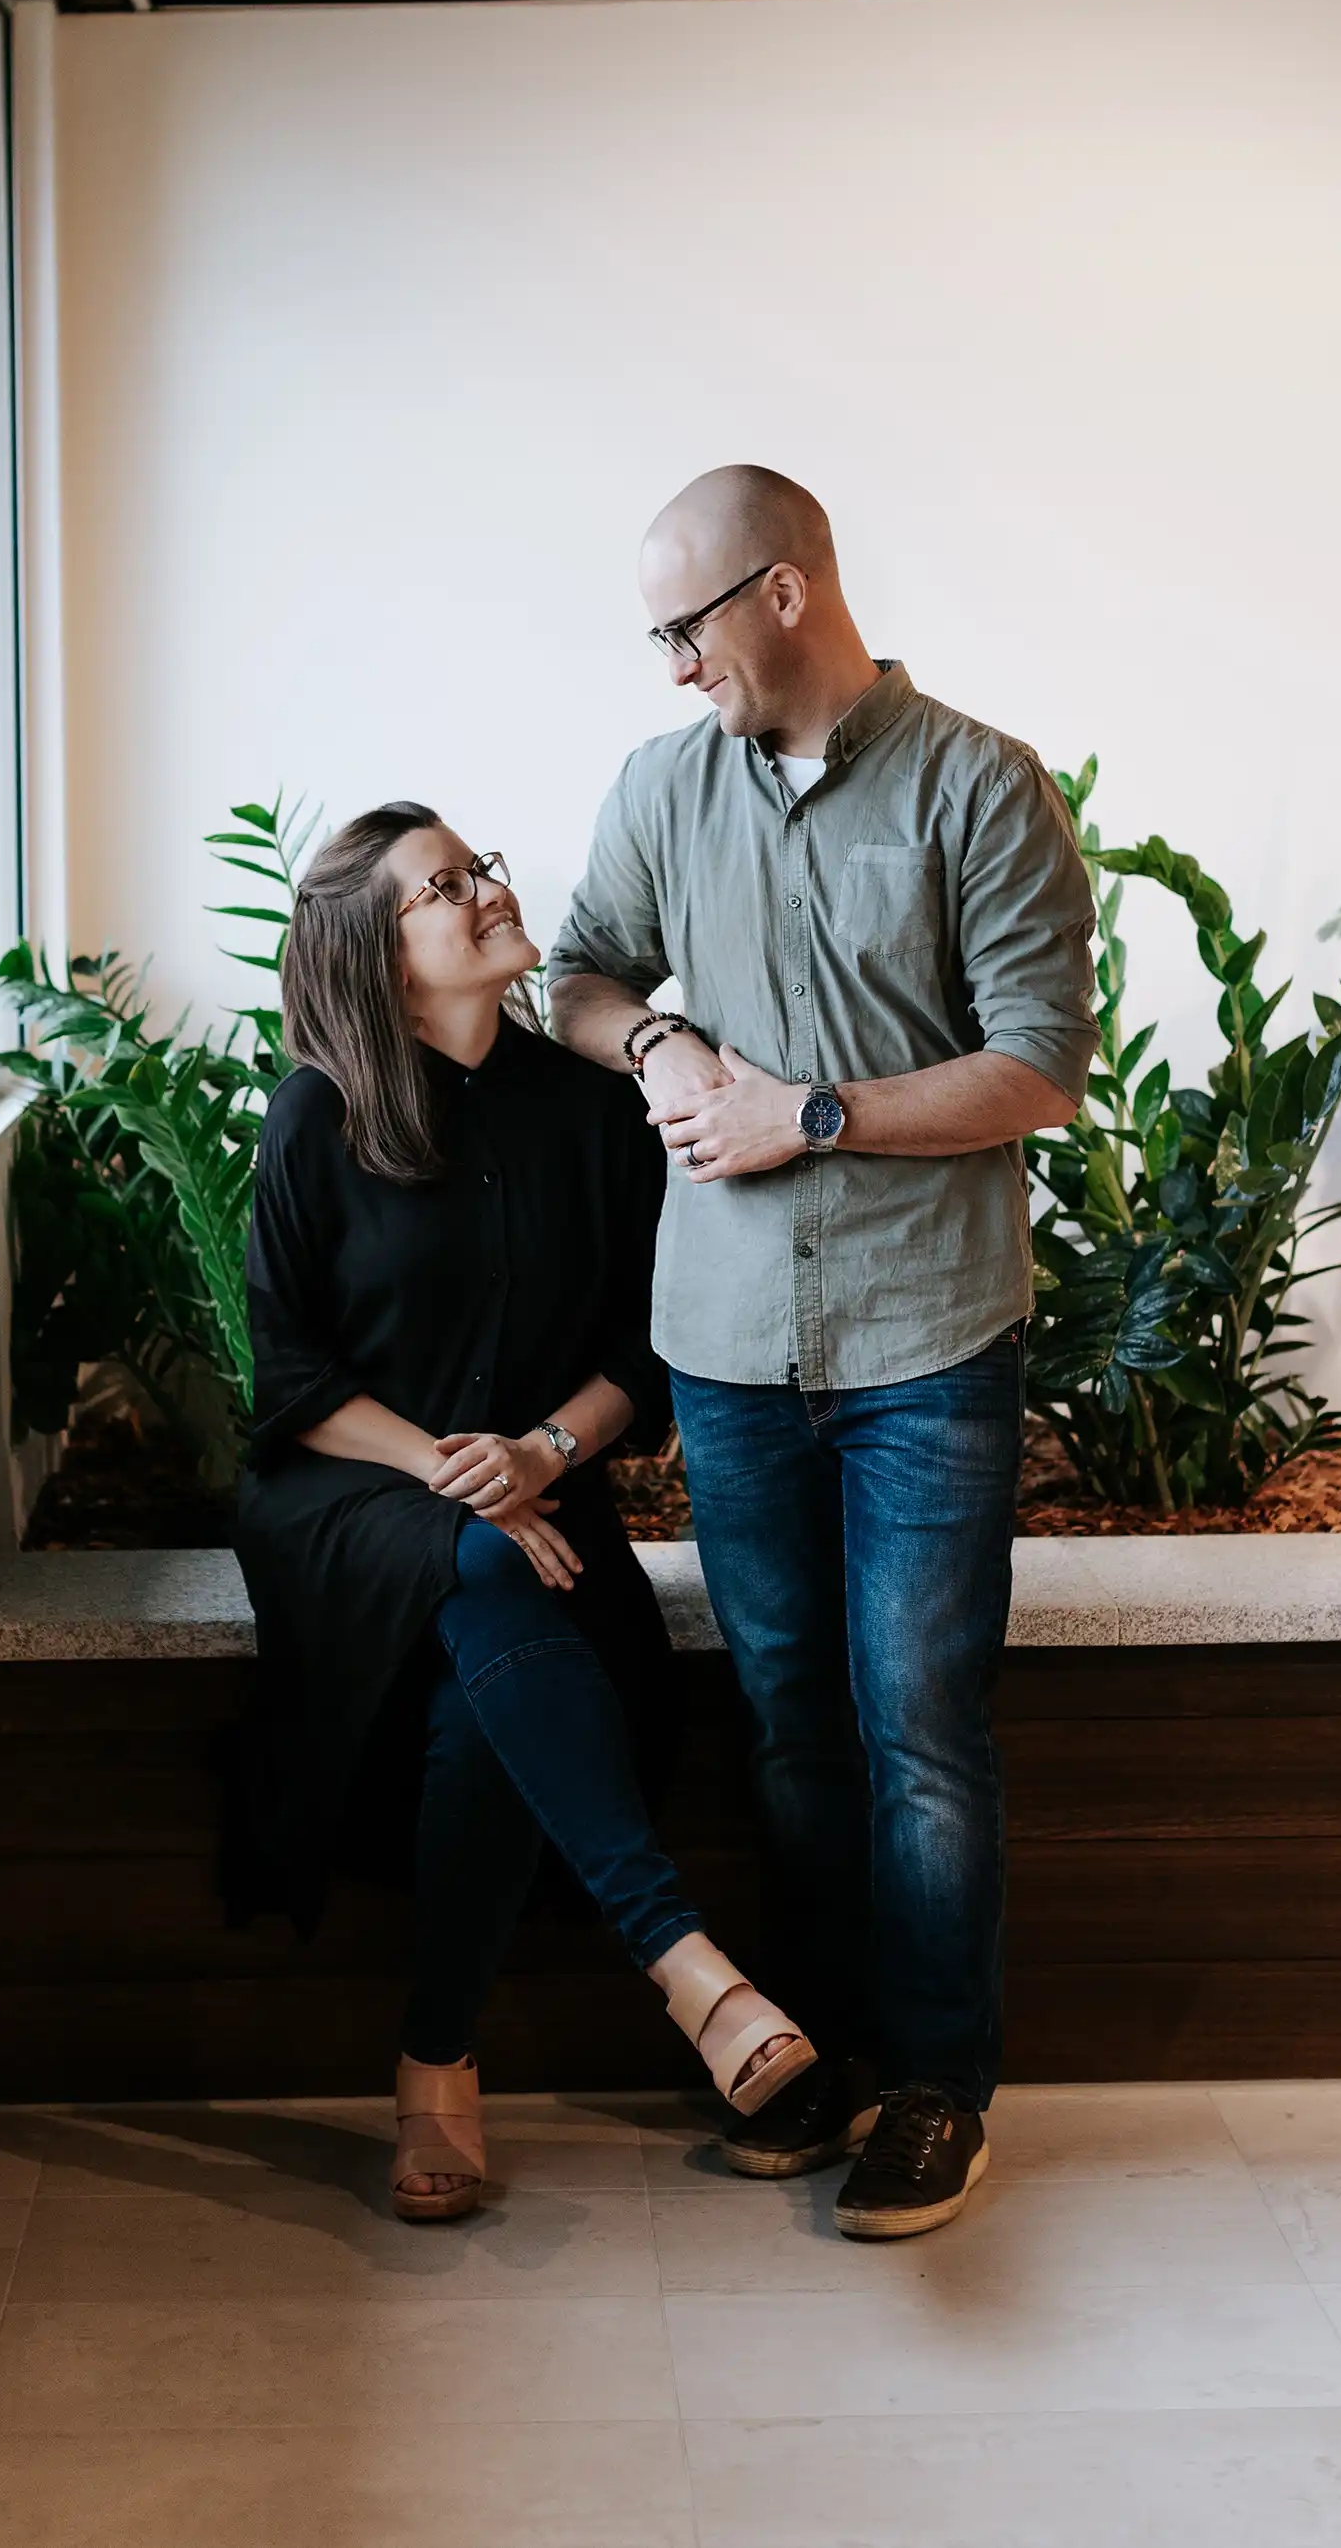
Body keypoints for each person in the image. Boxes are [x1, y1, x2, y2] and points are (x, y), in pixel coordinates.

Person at [548, 466, 1097, 2240]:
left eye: (683, 628)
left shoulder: (980, 786)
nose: (672, 668)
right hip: (724, 1348)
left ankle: (940, 2085)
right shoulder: (661, 787)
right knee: (789, 1720)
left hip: (927, 1340)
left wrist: (816, 1110)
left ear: (782, 595)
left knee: (921, 1724)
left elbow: (1037, 1067)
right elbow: (577, 977)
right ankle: (832, 2059)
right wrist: (664, 1050)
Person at [234, 800, 815, 2224]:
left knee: (492, 1657)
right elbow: (291, 1378)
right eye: (447, 886)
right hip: (348, 1497)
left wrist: (546, 1449)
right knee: (497, 1564)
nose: (490, 891)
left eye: (480, 865)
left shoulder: (585, 1110)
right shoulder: (320, 1111)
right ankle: (688, 1964)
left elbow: (644, 1342)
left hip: (538, 1502)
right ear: (382, 952)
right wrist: (453, 1463)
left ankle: (438, 2061)